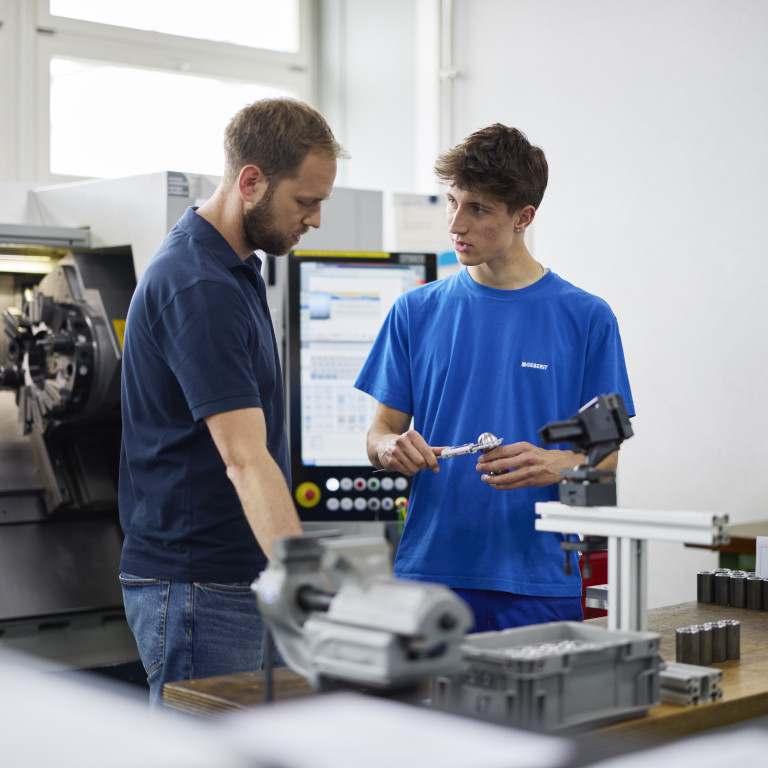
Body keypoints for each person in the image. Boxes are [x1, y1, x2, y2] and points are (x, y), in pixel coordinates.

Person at [354, 124, 634, 632]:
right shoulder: (414, 312)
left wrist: (557, 463)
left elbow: (607, 458)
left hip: (538, 580)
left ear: (523, 217)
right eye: (451, 202)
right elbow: (377, 434)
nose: (456, 223)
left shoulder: (587, 318)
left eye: (478, 209)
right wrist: (390, 448)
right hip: (429, 574)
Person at [119, 98, 346, 705]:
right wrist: (308, 585)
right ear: (251, 182)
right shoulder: (199, 285)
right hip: (200, 586)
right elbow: (245, 458)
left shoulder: (236, 268)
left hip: (231, 576)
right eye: (306, 201)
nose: (316, 219)